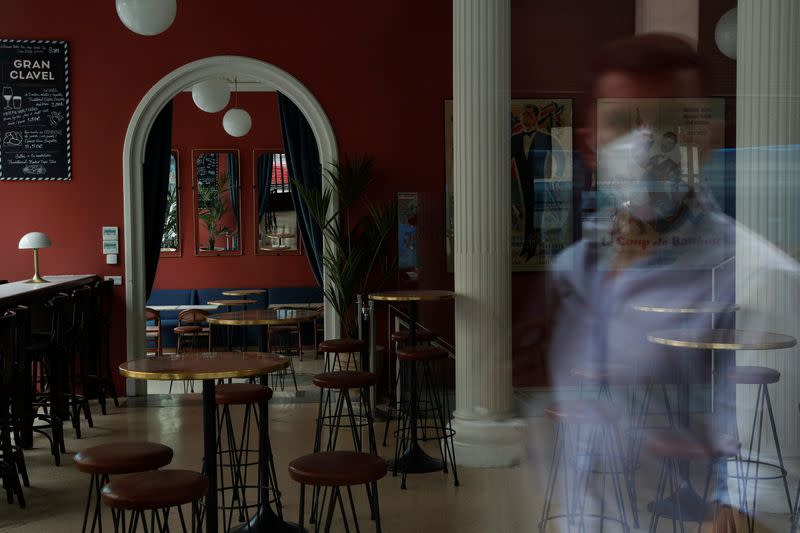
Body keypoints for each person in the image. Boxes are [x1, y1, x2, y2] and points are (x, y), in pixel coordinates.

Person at [527, 32, 800, 528]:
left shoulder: (758, 279)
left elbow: (764, 497)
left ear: (709, 135)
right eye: (624, 124)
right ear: (590, 145)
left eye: (673, 123)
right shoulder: (573, 272)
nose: (647, 144)